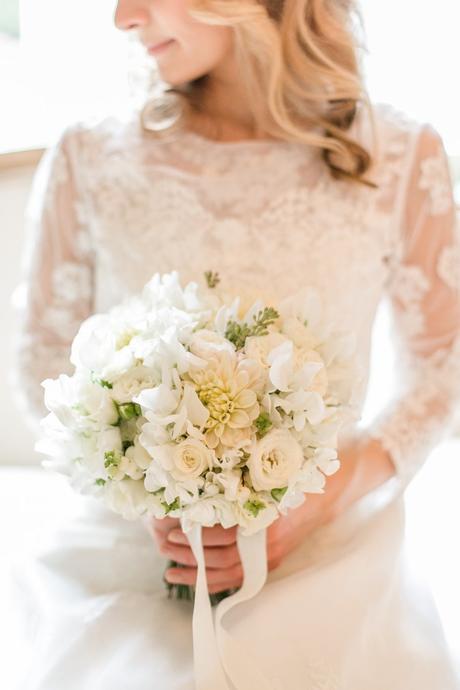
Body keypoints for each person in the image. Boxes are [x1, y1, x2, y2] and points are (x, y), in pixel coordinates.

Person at [7, 0, 460, 688]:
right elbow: (44, 358)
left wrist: (324, 495)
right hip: (130, 547)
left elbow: (441, 368)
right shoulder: (90, 153)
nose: (123, 18)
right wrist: (144, 491)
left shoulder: (400, 154)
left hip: (328, 546)